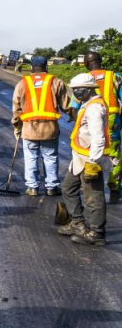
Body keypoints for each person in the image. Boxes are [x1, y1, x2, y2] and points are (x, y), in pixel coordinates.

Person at [58, 73, 110, 246]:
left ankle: (97, 233)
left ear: (88, 89)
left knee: (93, 197)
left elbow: (98, 137)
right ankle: (78, 224)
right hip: (79, 157)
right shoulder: (87, 104)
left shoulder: (95, 108)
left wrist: (93, 162)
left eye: (78, 90)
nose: (76, 93)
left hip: (89, 159)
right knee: (68, 188)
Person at [11, 56, 67, 196]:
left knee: (31, 157)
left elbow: (16, 107)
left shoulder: (22, 83)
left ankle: (32, 188)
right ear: (46, 66)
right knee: (50, 157)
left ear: (31, 67)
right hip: (50, 129)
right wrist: (75, 116)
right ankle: (52, 187)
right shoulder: (56, 82)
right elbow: (66, 105)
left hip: (29, 129)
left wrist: (17, 126)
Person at [84, 51, 122, 202]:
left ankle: (94, 184)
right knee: (114, 154)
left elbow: (74, 106)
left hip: (91, 120)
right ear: (100, 61)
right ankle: (114, 187)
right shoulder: (114, 76)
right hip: (112, 120)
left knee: (93, 150)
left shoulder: (85, 79)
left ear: (87, 64)